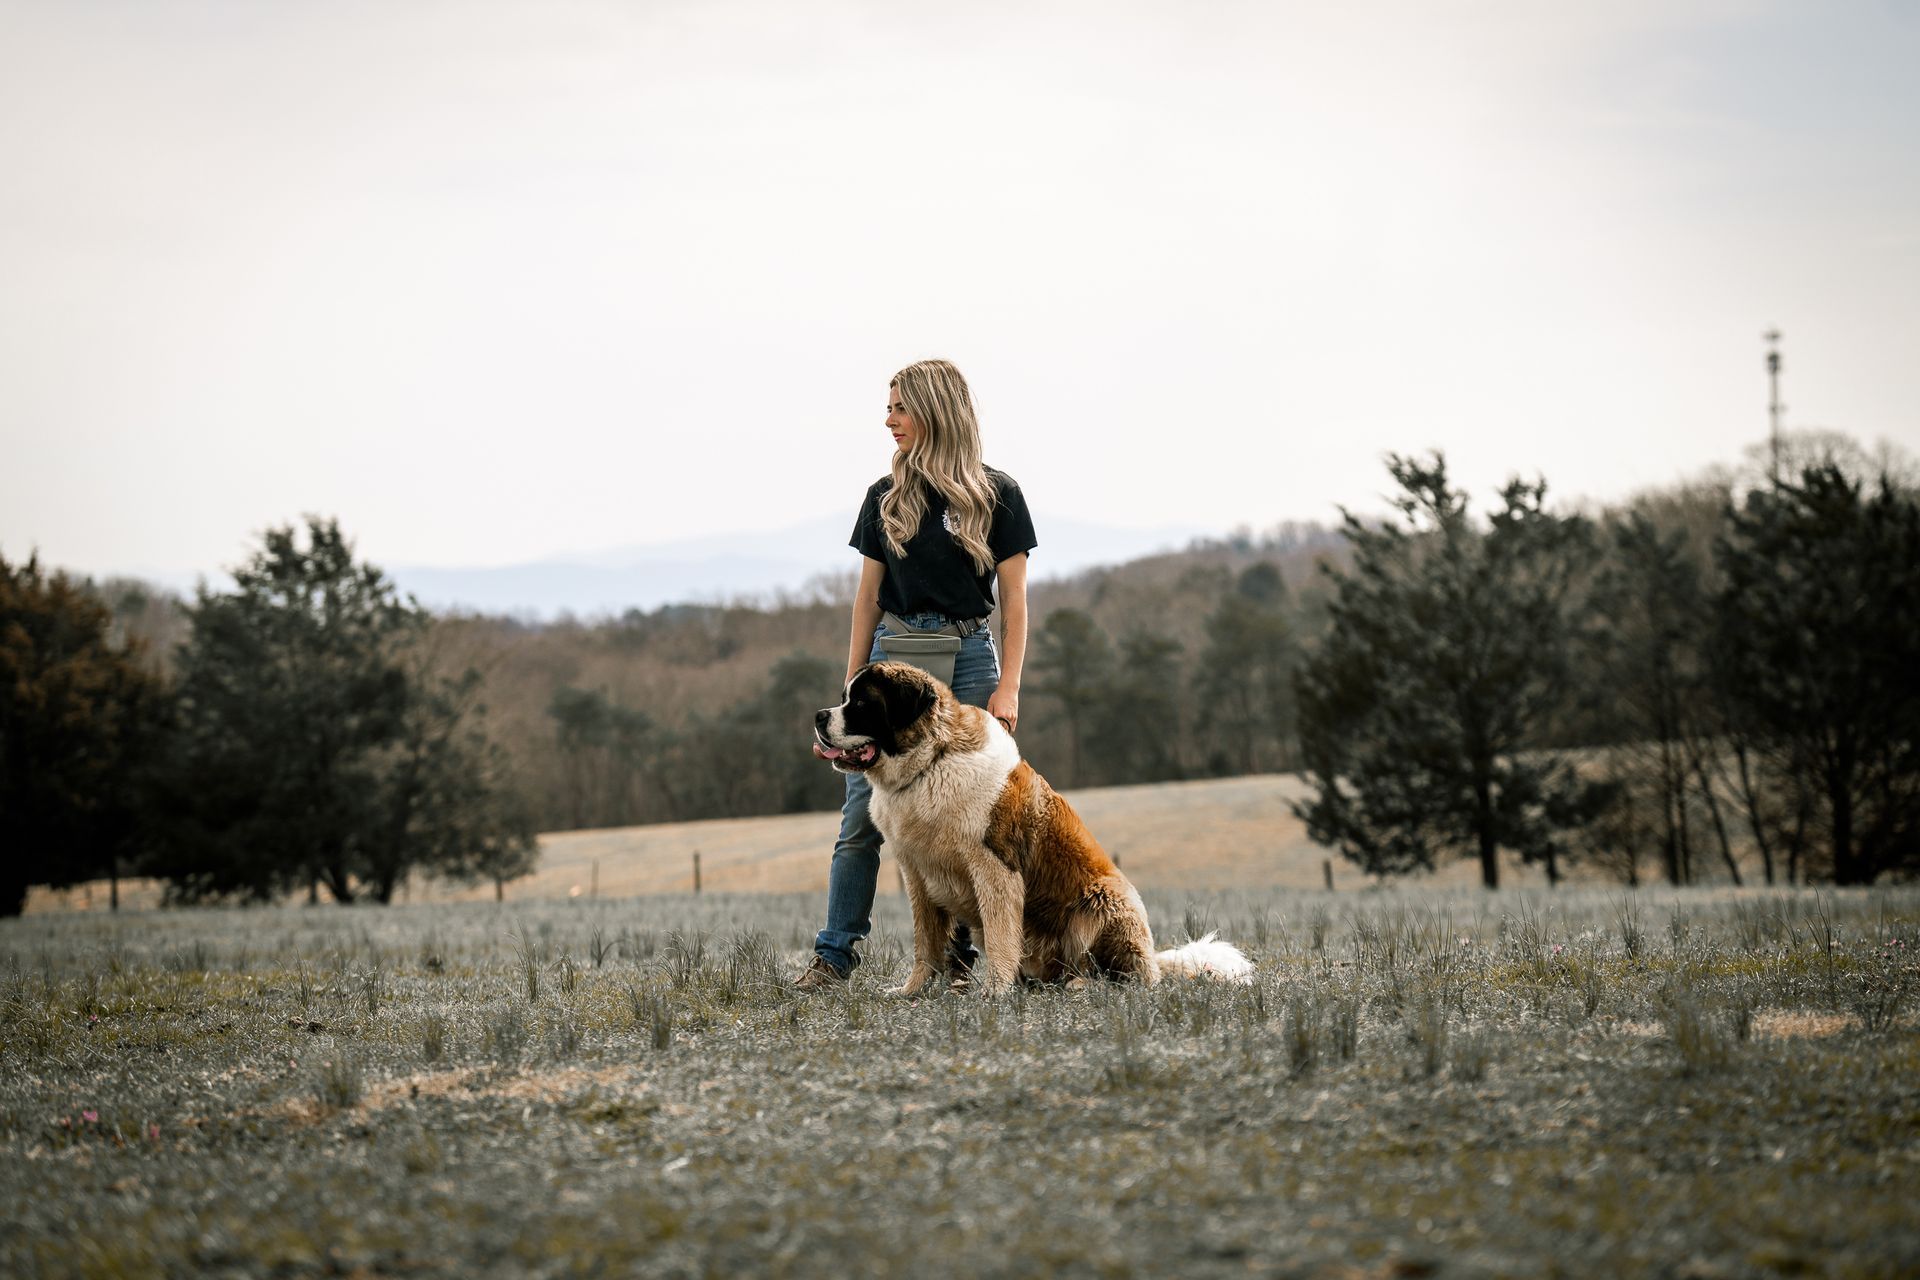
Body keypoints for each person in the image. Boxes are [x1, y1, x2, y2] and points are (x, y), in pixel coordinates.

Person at [794, 358, 1036, 990]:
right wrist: (848, 692)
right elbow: (867, 598)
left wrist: (1008, 685)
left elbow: (1014, 602)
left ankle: (960, 963)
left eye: (899, 407)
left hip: (971, 659)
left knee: (972, 818)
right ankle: (833, 957)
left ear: (934, 410)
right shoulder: (883, 497)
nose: (888, 420)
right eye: (889, 407)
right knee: (859, 824)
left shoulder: (998, 495)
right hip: (891, 664)